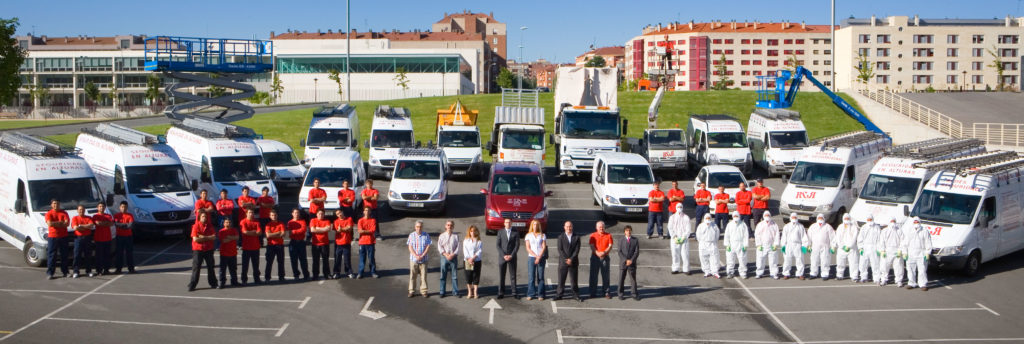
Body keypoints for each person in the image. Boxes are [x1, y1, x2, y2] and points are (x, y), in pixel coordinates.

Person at [188, 212, 218, 291]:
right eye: (203, 216)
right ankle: (192, 284)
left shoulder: (210, 226)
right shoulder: (195, 226)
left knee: (211, 267)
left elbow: (214, 237)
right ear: (199, 218)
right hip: (198, 250)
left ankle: (213, 283)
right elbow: (195, 239)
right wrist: (208, 238)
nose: (204, 218)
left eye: (205, 216)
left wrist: (203, 237)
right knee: (196, 268)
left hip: (208, 249)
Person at [902, 217, 933, 291]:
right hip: (911, 253)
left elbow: (928, 243)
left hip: (921, 253)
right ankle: (911, 283)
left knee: (922, 270)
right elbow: (905, 243)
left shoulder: (925, 231)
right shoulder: (909, 231)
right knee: (910, 269)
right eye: (915, 222)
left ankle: (923, 284)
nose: (916, 224)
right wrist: (904, 253)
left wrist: (928, 253)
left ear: (920, 222)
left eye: (917, 222)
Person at [555, 221, 582, 301]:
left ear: (572, 227)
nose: (568, 228)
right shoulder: (560, 237)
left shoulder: (576, 237)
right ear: (564, 227)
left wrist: (571, 259)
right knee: (561, 280)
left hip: (573, 262)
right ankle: (559, 294)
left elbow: (577, 250)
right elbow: (560, 250)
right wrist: (566, 259)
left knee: (574, 280)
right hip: (563, 262)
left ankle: (575, 295)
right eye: (567, 226)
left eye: (570, 226)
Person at [45, 200, 71, 279]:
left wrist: (55, 223)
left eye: (57, 203)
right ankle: (50, 273)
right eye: (54, 203)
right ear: (51, 205)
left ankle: (65, 272)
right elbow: (49, 223)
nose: (56, 205)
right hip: (52, 237)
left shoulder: (64, 213)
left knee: (64, 255)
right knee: (52, 255)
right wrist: (60, 223)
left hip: (63, 236)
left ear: (60, 204)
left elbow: (67, 223)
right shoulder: (49, 213)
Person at [496, 218, 521, 299]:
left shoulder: (515, 232)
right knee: (501, 276)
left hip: (512, 257)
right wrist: (504, 255)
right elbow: (498, 245)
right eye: (506, 222)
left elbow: (517, 245)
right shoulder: (500, 232)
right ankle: (501, 292)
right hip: (502, 257)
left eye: (509, 222)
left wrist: (511, 255)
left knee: (513, 275)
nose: (508, 224)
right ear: (504, 223)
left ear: (511, 223)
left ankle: (514, 292)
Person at [588, 221, 614, 298]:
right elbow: (592, 246)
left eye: (602, 227)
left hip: (605, 257)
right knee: (593, 276)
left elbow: (610, 246)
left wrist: (604, 252)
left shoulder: (608, 235)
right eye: (600, 227)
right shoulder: (593, 235)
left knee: (605, 275)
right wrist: (597, 253)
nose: (601, 228)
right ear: (596, 228)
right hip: (595, 257)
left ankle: (606, 292)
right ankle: (592, 292)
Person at [806, 213, 835, 280]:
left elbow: (833, 237)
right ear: (817, 219)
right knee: (814, 260)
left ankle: (825, 274)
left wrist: (833, 246)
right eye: (819, 218)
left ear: (824, 219)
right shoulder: (813, 227)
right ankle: (813, 273)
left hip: (825, 247)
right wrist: (808, 245)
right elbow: (809, 237)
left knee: (825, 260)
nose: (820, 220)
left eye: (821, 218)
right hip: (815, 246)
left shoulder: (828, 227)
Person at [407, 220, 431, 298]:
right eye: (417, 227)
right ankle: (411, 291)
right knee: (412, 276)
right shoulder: (411, 235)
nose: (419, 228)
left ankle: (424, 291)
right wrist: (416, 255)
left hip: (424, 259)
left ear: (422, 227)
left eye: (420, 227)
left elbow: (428, 246)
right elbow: (410, 247)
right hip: (414, 259)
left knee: (423, 276)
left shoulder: (426, 235)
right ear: (415, 227)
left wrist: (422, 255)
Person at [832, 213, 859, 281]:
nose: (847, 220)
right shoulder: (840, 227)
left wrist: (849, 246)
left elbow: (854, 237)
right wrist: (842, 246)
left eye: (848, 219)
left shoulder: (854, 227)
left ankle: (854, 276)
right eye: (845, 219)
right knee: (840, 262)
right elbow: (838, 238)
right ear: (843, 219)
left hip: (852, 248)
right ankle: (839, 275)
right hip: (842, 249)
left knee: (853, 262)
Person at [525, 220, 548, 300]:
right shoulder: (528, 235)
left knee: (540, 276)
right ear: (532, 225)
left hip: (540, 258)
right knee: (531, 276)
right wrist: (535, 256)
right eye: (534, 224)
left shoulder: (542, 235)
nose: (535, 226)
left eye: (537, 224)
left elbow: (544, 247)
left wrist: (539, 257)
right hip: (531, 257)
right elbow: (528, 247)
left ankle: (541, 294)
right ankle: (531, 294)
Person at [71, 204, 96, 278]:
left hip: (87, 238)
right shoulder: (75, 218)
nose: (81, 211)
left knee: (88, 255)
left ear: (85, 210)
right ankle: (76, 271)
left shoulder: (88, 217)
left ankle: (88, 271)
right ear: (77, 211)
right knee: (77, 255)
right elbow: (75, 228)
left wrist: (81, 226)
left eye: (82, 209)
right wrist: (85, 227)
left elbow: (91, 225)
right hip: (78, 238)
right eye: (80, 210)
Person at [879, 218, 905, 287]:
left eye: (894, 221)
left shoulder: (899, 230)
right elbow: (881, 241)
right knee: (884, 266)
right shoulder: (885, 231)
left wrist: (900, 250)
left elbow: (902, 241)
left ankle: (899, 280)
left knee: (898, 266)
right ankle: (884, 279)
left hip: (897, 251)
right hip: (887, 250)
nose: (893, 223)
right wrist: (882, 250)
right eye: (891, 221)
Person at [781, 213, 808, 280]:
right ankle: (786, 273)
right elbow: (784, 237)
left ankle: (800, 273)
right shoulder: (786, 226)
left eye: (795, 217)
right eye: (793, 217)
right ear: (790, 218)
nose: (794, 218)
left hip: (798, 245)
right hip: (788, 245)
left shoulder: (800, 226)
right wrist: (783, 245)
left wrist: (804, 245)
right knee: (787, 259)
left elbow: (804, 236)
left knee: (800, 260)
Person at [753, 211, 780, 279]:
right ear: (763, 216)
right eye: (766, 215)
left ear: (770, 216)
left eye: (768, 215)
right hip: (762, 245)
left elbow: (777, 235)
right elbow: (757, 235)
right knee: (760, 260)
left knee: (773, 260)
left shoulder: (774, 224)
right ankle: (759, 273)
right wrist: (758, 244)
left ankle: (773, 273)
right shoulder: (760, 224)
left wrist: (775, 244)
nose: (767, 216)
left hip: (772, 245)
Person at [667, 203, 692, 275]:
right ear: (676, 208)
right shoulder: (672, 217)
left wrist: (684, 237)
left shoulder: (686, 217)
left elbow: (688, 229)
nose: (679, 208)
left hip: (684, 239)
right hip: (675, 239)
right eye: (678, 207)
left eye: (681, 207)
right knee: (675, 254)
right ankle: (675, 268)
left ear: (683, 207)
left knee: (685, 254)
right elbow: (670, 227)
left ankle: (686, 269)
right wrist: (674, 236)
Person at [723, 211, 750, 279]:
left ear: (739, 216)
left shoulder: (743, 224)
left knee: (742, 259)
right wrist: (727, 244)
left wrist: (745, 245)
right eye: (734, 216)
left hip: (740, 244)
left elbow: (745, 235)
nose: (736, 218)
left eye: (737, 216)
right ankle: (730, 272)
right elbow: (726, 235)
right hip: (731, 244)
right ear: (732, 217)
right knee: (730, 259)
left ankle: (743, 273)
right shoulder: (729, 225)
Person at [239, 209, 263, 284]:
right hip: (246, 247)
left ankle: (257, 279)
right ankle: (244, 280)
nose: (251, 214)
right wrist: (254, 232)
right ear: (246, 214)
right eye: (249, 212)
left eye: (252, 212)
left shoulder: (257, 222)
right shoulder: (243, 222)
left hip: (255, 247)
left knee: (256, 265)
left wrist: (251, 233)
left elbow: (259, 233)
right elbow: (245, 232)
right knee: (245, 265)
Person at [857, 214, 882, 284]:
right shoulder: (864, 228)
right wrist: (860, 248)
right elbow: (860, 238)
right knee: (863, 263)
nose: (869, 221)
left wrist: (879, 249)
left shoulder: (877, 228)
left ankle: (876, 278)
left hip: (874, 247)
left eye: (870, 220)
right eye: (868, 220)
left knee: (875, 263)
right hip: (865, 247)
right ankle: (863, 277)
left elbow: (880, 239)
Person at [437, 220, 460, 298]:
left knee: (454, 276)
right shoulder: (442, 236)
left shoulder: (456, 236)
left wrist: (452, 255)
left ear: (453, 227)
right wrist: (446, 254)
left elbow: (458, 247)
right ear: (445, 226)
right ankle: (442, 292)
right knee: (443, 275)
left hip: (453, 258)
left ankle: (455, 292)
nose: (449, 226)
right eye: (448, 225)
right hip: (444, 257)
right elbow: (439, 247)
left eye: (451, 225)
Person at [617, 226, 641, 300]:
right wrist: (625, 260)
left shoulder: (635, 240)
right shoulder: (621, 240)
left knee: (633, 279)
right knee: (621, 278)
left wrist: (631, 260)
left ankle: (634, 293)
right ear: (624, 232)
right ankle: (620, 293)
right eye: (627, 230)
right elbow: (619, 252)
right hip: (623, 263)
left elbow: (636, 252)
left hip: (632, 263)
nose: (628, 232)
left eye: (630, 230)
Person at [287, 209, 310, 280]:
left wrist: (294, 231)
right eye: (295, 213)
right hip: (293, 242)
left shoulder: (302, 221)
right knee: (294, 260)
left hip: (301, 242)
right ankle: (296, 274)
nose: (296, 214)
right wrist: (296, 231)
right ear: (292, 214)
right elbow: (290, 232)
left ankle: (306, 275)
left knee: (303, 259)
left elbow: (303, 230)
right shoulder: (290, 222)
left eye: (298, 213)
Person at [356, 206, 379, 278]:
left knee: (371, 258)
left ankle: (373, 272)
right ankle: (360, 272)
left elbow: (373, 230)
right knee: (362, 258)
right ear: (363, 212)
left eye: (368, 210)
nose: (367, 212)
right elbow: (360, 231)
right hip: (362, 242)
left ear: (370, 212)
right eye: (365, 210)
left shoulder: (373, 220)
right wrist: (367, 231)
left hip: (371, 242)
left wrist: (364, 231)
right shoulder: (360, 220)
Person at [695, 214, 721, 278]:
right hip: (703, 244)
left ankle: (715, 272)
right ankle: (707, 271)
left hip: (712, 244)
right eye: (706, 218)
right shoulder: (701, 226)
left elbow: (717, 235)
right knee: (704, 258)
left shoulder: (714, 226)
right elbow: (698, 235)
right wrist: (701, 242)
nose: (708, 219)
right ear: (704, 218)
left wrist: (714, 242)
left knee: (714, 258)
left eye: (709, 218)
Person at [91, 203, 114, 275]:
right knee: (99, 256)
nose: (101, 208)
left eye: (103, 206)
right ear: (97, 207)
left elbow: (111, 223)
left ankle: (106, 269)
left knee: (107, 255)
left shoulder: (108, 215)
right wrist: (105, 223)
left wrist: (102, 223)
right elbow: (98, 223)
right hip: (98, 238)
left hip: (107, 238)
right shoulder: (95, 216)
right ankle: (99, 270)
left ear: (105, 208)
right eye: (100, 206)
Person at [112, 201, 135, 274]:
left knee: (129, 253)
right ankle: (118, 269)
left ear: (127, 207)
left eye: (125, 207)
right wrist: (125, 225)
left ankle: (131, 268)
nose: (123, 208)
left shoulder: (130, 215)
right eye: (122, 207)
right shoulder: (116, 215)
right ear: (119, 207)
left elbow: (130, 226)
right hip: (119, 236)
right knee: (119, 253)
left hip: (128, 236)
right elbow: (116, 224)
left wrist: (121, 225)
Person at [309, 209, 332, 280]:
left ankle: (326, 274)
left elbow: (328, 229)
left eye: (322, 214)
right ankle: (315, 275)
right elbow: (312, 230)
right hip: (315, 244)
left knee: (325, 260)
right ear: (316, 214)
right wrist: (323, 229)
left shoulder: (327, 221)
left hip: (325, 244)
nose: (320, 215)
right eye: (319, 214)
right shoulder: (313, 220)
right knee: (315, 260)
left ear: (324, 214)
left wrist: (317, 228)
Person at [264, 211, 286, 283]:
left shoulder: (281, 224)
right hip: (271, 245)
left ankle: (281, 277)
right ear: (270, 216)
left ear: (277, 216)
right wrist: (278, 233)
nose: (274, 216)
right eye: (272, 215)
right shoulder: (268, 225)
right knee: (269, 262)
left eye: (275, 215)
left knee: (281, 262)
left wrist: (272, 234)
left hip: (279, 245)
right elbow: (268, 235)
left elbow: (283, 234)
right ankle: (267, 277)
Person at [217, 218, 239, 288]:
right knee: (222, 269)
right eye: (226, 222)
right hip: (224, 254)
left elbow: (237, 237)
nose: (228, 224)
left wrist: (229, 237)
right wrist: (233, 238)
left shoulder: (234, 230)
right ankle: (222, 282)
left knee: (233, 269)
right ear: (223, 224)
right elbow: (224, 241)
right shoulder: (221, 231)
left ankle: (234, 281)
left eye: (229, 222)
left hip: (233, 253)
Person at [462, 225, 483, 299]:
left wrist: (473, 258)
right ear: (469, 232)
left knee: (476, 276)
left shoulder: (479, 241)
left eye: (474, 231)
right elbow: (465, 250)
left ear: (477, 232)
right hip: (467, 261)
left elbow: (479, 251)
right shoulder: (466, 240)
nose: (473, 232)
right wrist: (469, 259)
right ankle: (470, 292)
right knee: (468, 276)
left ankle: (475, 292)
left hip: (476, 261)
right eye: (471, 231)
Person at [332, 209, 354, 279]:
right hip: (338, 243)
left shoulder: (349, 219)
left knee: (347, 258)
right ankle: (336, 273)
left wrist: (342, 229)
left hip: (347, 242)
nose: (339, 214)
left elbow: (350, 228)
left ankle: (349, 272)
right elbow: (338, 230)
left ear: (342, 212)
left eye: (340, 213)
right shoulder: (336, 221)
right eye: (337, 214)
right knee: (337, 259)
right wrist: (345, 228)